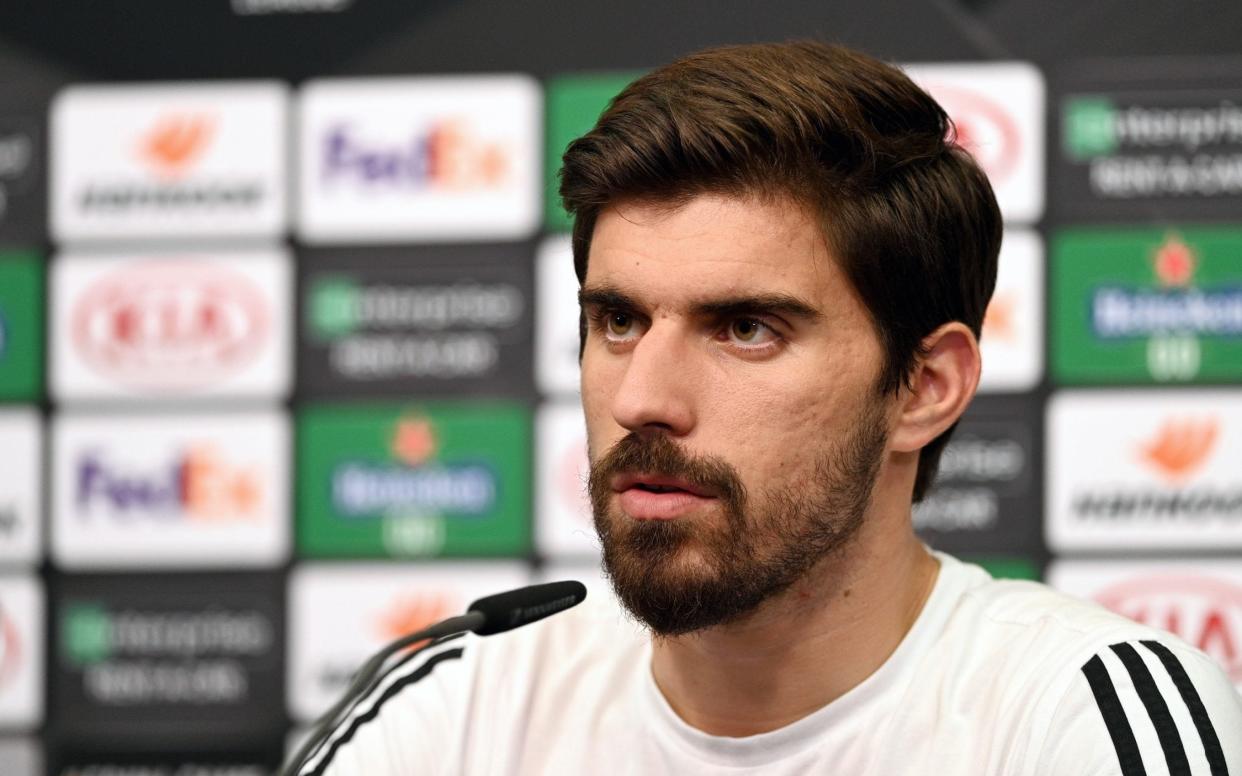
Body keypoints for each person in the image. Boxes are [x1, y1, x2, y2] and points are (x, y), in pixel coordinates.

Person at [299, 41, 1242, 775]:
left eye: (746, 329)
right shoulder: (454, 705)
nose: (642, 400)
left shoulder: (1081, 714)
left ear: (926, 387)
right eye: (619, 320)